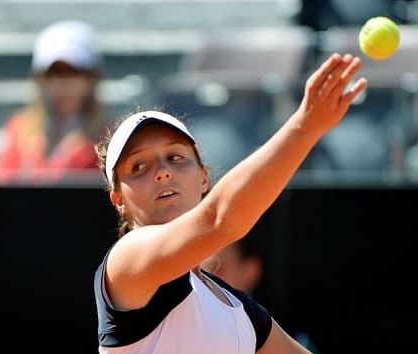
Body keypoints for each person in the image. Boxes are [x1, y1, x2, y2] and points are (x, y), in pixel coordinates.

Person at [93, 52, 367, 353]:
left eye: (175, 157)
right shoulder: (126, 261)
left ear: (203, 178)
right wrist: (305, 127)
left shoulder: (240, 312)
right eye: (139, 167)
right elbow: (221, 220)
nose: (162, 172)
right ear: (118, 200)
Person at [0, 19, 107, 184]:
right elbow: (1, 186)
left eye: (73, 72)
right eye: (52, 73)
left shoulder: (108, 137)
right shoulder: (18, 130)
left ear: (91, 78)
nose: (61, 83)